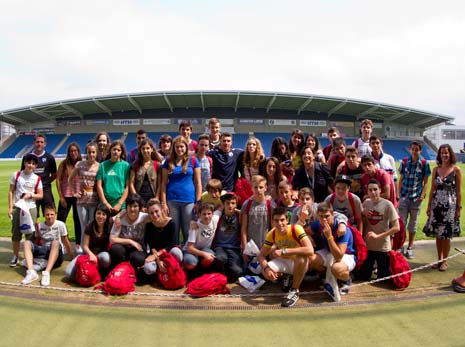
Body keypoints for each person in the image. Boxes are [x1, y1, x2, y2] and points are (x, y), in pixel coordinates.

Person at [258, 206, 313, 307]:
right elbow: (261, 255)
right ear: (272, 222)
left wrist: (285, 251)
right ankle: (286, 277)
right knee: (265, 272)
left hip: (298, 263)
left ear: (287, 220)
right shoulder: (272, 233)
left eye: (282, 220)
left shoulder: (296, 229)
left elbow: (310, 250)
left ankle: (294, 290)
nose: (279, 223)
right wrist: (266, 268)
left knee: (301, 258)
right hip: (284, 262)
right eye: (276, 220)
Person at [309, 202, 356, 301]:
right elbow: (305, 230)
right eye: (321, 216)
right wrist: (308, 237)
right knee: (311, 259)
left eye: (327, 216)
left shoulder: (343, 229)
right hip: (329, 252)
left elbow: (339, 256)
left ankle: (346, 279)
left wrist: (330, 237)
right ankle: (327, 277)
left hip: (346, 255)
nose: (324, 219)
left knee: (337, 268)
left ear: (332, 215)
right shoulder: (319, 224)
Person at [425, 144, 462, 271]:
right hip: (436, 206)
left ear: (450, 154)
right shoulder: (436, 169)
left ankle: (445, 261)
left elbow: (458, 192)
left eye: (446, 153)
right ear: (439, 155)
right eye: (442, 153)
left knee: (445, 235)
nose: (444, 155)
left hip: (449, 207)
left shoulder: (456, 170)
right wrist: (429, 206)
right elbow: (432, 189)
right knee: (437, 234)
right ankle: (439, 259)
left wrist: (458, 208)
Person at [161, 135, 202, 245]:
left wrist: (198, 201)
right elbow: (163, 184)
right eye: (177, 147)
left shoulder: (193, 161)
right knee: (173, 230)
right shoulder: (168, 162)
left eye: (182, 147)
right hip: (172, 200)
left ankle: (188, 254)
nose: (179, 149)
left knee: (188, 230)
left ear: (186, 147)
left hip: (188, 200)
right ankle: (174, 254)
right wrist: (163, 203)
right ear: (173, 148)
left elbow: (198, 183)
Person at [21, 204, 73, 286]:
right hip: (45, 251)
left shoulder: (61, 225)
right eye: (47, 214)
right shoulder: (40, 226)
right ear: (44, 215)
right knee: (27, 243)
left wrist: (71, 258)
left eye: (52, 214)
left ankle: (46, 273)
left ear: (55, 214)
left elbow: (66, 241)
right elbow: (36, 241)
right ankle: (31, 272)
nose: (49, 217)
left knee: (55, 242)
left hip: (57, 253)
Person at [359, 179, 400, 281]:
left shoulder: (387, 204)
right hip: (368, 247)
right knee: (363, 276)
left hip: (383, 247)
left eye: (375, 189)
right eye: (370, 190)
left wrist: (378, 236)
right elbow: (360, 219)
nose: (373, 192)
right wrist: (363, 212)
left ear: (380, 190)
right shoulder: (366, 203)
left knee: (383, 279)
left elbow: (396, 227)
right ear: (367, 191)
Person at [8, 153, 43, 267]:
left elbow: (40, 195)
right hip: (18, 207)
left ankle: (29, 257)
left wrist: (30, 195)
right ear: (24, 163)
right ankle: (16, 256)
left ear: (36, 166)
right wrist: (10, 207)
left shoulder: (37, 178)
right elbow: (11, 191)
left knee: (30, 234)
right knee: (16, 233)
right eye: (29, 163)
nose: (31, 165)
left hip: (31, 208)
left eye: (33, 164)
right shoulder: (17, 175)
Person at [397, 140, 431, 259]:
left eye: (417, 149)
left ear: (420, 150)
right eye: (413, 149)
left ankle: (410, 247)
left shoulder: (424, 163)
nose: (414, 151)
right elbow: (401, 179)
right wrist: (398, 194)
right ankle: (400, 246)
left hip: (416, 198)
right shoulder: (405, 162)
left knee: (413, 225)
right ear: (410, 149)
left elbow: (426, 182)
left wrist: (422, 195)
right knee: (402, 223)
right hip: (404, 197)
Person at [64, 205, 112, 281]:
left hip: (101, 255)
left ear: (107, 216)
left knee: (106, 258)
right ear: (95, 214)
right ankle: (83, 271)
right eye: (98, 213)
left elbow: (122, 213)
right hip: (87, 254)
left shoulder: (110, 226)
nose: (100, 216)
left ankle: (97, 272)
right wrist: (91, 254)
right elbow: (85, 246)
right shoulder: (89, 226)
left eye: (104, 214)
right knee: (68, 273)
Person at [69, 142, 100, 248]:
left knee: (92, 226)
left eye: (93, 152)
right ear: (86, 153)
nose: (91, 154)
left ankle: (91, 248)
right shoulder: (80, 165)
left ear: (96, 153)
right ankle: (82, 250)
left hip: (94, 200)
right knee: (83, 227)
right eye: (89, 152)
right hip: (81, 200)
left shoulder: (99, 166)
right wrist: (74, 192)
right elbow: (70, 179)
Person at [141, 199, 183, 279]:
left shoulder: (171, 223)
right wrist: (158, 260)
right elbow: (151, 245)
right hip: (155, 254)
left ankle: (176, 270)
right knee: (148, 269)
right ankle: (160, 273)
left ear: (161, 210)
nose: (155, 215)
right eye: (151, 213)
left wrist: (157, 255)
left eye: (157, 211)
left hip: (168, 252)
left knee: (177, 252)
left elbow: (172, 244)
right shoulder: (149, 226)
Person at [21, 134, 57, 217]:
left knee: (50, 214)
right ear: (34, 143)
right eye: (37, 142)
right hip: (31, 190)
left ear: (45, 144)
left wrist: (45, 182)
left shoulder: (49, 158)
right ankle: (33, 230)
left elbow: (54, 174)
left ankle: (48, 230)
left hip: (46, 190)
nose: (39, 144)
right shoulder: (26, 157)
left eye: (41, 142)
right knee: (31, 216)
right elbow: (23, 173)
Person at [56, 142, 83, 253]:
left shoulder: (82, 164)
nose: (73, 153)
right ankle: (61, 243)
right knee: (61, 221)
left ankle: (78, 244)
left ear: (78, 151)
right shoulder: (63, 164)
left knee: (78, 221)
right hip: (66, 196)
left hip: (78, 197)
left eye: (75, 150)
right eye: (71, 151)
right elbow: (58, 180)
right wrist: (61, 197)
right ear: (68, 152)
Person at [109, 194, 148, 269]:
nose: (132, 209)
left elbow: (156, 216)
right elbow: (112, 239)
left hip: (138, 248)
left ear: (140, 207)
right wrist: (130, 241)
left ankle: (133, 272)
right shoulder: (120, 219)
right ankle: (118, 269)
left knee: (138, 259)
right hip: (123, 248)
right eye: (130, 206)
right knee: (116, 250)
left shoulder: (144, 217)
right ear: (126, 207)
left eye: (135, 206)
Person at [213, 192, 243, 282]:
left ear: (236, 205)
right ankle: (219, 275)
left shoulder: (239, 217)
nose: (230, 206)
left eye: (233, 203)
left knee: (238, 271)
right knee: (221, 258)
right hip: (220, 246)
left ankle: (228, 274)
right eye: (227, 203)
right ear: (223, 204)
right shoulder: (218, 216)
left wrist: (237, 211)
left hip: (233, 248)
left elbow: (246, 214)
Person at [96, 140, 131, 216]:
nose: (116, 152)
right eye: (114, 149)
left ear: (121, 152)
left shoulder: (126, 166)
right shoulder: (103, 165)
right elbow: (99, 185)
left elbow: (128, 186)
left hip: (121, 206)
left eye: (118, 150)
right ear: (110, 150)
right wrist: (105, 203)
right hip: (106, 205)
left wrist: (119, 204)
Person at [183, 203, 222, 271]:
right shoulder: (195, 226)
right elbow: (189, 248)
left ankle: (200, 271)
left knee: (210, 257)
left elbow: (222, 206)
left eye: (209, 213)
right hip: (192, 250)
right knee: (191, 262)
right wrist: (204, 254)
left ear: (213, 214)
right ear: (199, 215)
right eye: (204, 214)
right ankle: (188, 271)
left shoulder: (215, 219)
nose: (206, 216)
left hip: (204, 249)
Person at [241, 175, 271, 254]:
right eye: (255, 187)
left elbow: (273, 228)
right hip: (251, 246)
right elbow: (243, 228)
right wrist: (245, 247)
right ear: (251, 188)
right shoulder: (247, 204)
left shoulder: (270, 204)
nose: (258, 190)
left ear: (265, 188)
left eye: (261, 187)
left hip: (266, 246)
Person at [129, 138, 162, 206]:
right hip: (139, 199)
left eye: (147, 148)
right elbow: (131, 184)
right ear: (140, 150)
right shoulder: (135, 165)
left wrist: (156, 198)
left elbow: (160, 184)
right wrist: (137, 199)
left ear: (152, 149)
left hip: (153, 199)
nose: (145, 150)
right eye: (143, 148)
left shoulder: (157, 165)